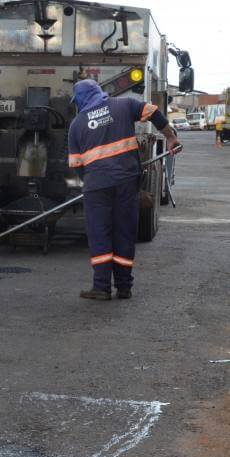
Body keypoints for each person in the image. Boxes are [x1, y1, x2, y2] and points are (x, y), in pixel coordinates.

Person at [67, 79, 180, 300]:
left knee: (100, 233)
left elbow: (77, 165)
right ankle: (124, 286)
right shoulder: (124, 105)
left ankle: (101, 287)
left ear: (80, 99)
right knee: (125, 232)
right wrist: (170, 137)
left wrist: (91, 181)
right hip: (127, 181)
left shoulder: (77, 124)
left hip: (97, 186)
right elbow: (154, 112)